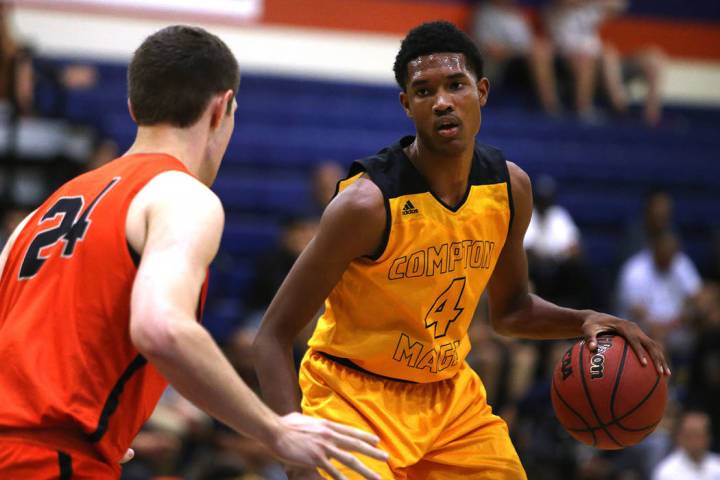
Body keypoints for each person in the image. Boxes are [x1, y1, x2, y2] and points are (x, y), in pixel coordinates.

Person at [253, 20, 669, 479]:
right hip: (352, 397)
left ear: (482, 91)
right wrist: (295, 451)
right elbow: (272, 336)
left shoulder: (509, 187)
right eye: (425, 91)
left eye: (456, 85)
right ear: (406, 104)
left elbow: (510, 311)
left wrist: (584, 320)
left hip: (449, 397)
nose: (443, 101)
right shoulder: (365, 205)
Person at [0, 25, 386, 479]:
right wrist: (274, 429)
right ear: (222, 108)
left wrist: (93, 416)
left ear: (134, 107)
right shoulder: (181, 196)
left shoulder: (46, 209)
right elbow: (160, 327)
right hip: (49, 464)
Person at [545, 0, 664, 124]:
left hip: (600, 59)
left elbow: (618, 6)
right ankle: (601, 109)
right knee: (600, 56)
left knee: (653, 58)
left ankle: (650, 119)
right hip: (567, 58)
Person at [471, 0, 560, 114]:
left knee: (543, 50)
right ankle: (551, 107)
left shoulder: (517, 15)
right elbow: (492, 50)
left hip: (523, 61)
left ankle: (567, 107)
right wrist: (521, 51)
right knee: (539, 54)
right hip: (500, 65)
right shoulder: (484, 15)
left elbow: (528, 41)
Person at [652, 411, 720, 480]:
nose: (694, 440)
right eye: (689, 435)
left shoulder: (717, 465)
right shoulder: (666, 472)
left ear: (708, 437)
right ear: (680, 437)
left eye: (699, 435)